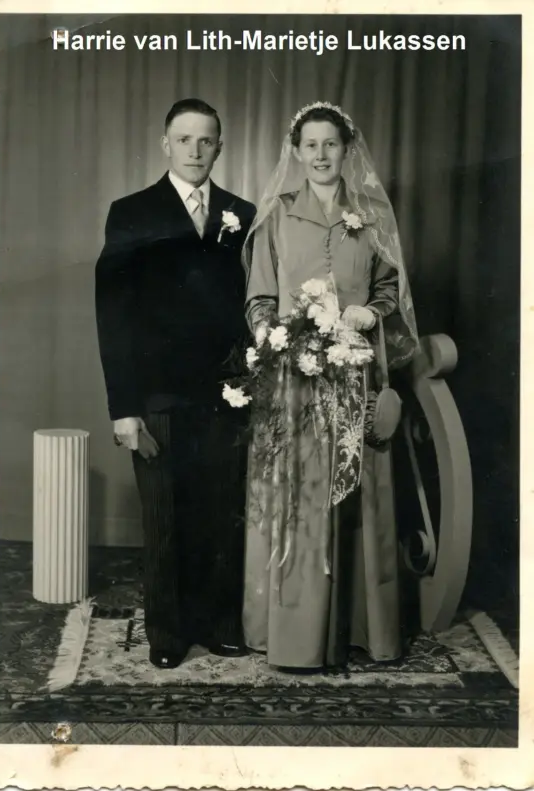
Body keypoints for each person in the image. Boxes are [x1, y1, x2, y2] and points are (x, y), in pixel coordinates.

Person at [242, 101, 418, 670]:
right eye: (311, 145)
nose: (321, 155)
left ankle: (361, 630)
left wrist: (371, 311)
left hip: (355, 371)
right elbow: (259, 297)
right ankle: (293, 636)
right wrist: (271, 335)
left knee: (358, 493)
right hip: (293, 381)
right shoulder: (277, 216)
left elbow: (389, 289)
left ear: (347, 150)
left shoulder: (370, 216)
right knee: (299, 494)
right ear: (296, 152)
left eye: (331, 144)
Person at [95, 98, 256, 669]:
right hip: (156, 394)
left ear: (220, 147)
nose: (194, 150)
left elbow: (252, 305)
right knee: (163, 519)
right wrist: (124, 409)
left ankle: (220, 624)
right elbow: (113, 317)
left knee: (220, 513)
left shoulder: (241, 212)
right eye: (184, 139)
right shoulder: (131, 211)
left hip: (225, 393)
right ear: (166, 144)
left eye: (205, 140)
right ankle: (166, 635)